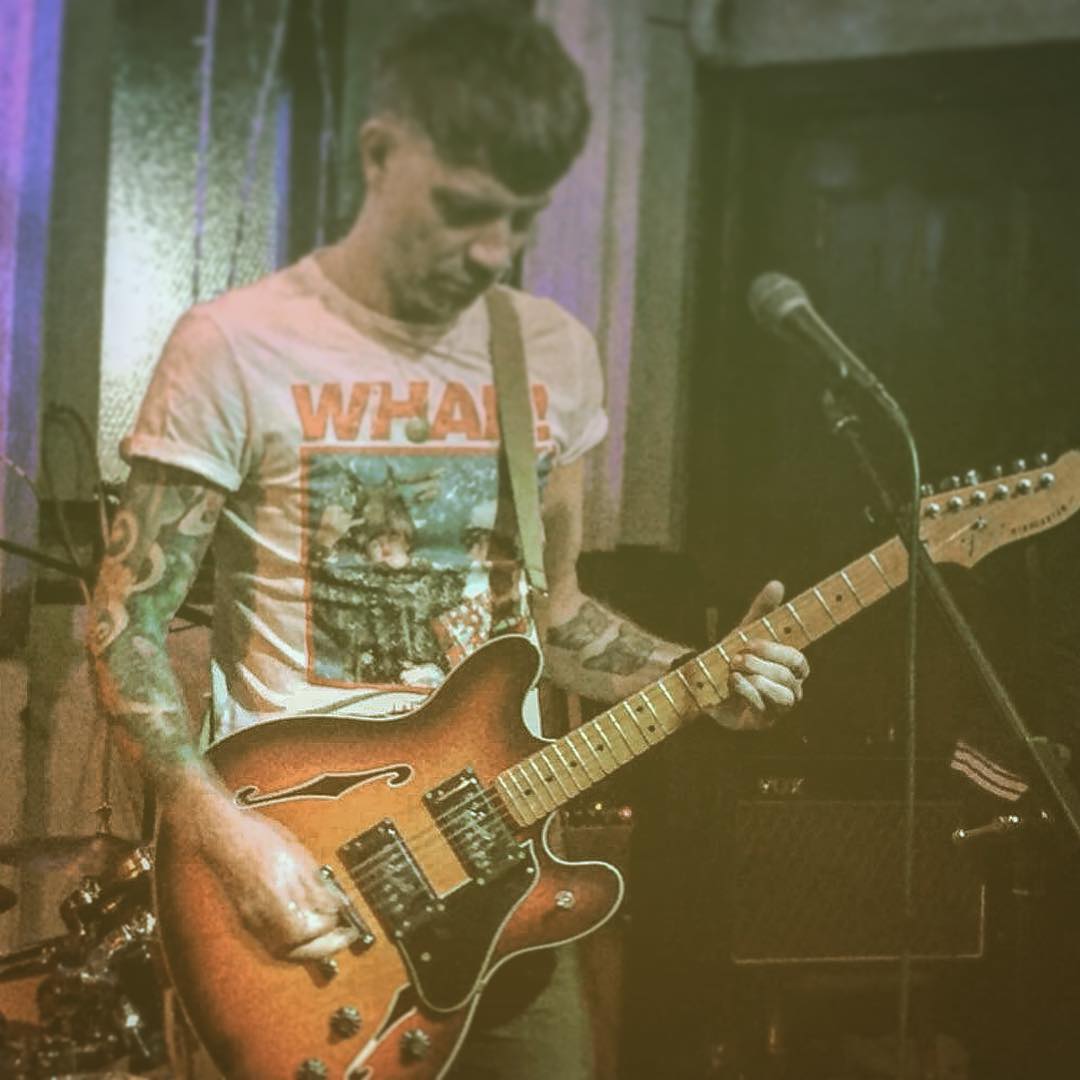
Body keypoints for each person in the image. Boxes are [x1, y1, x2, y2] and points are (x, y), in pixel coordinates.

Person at [86, 6, 810, 1077]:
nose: (492, 251)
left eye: (521, 218)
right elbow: (125, 620)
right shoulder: (236, 347)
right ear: (381, 154)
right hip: (303, 889)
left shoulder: (550, 355)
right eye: (466, 210)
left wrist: (700, 678)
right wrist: (213, 833)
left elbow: (555, 614)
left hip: (503, 879)